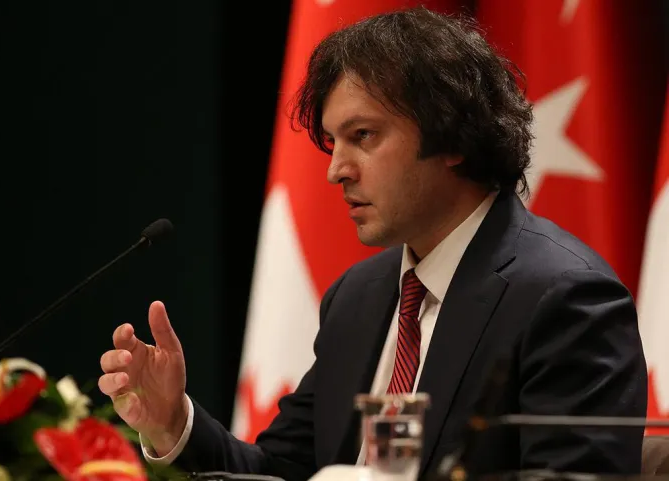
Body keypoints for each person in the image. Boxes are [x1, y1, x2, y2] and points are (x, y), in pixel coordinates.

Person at [97, 7, 648, 481]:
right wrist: (174, 423)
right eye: (332, 142)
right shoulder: (358, 297)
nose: (336, 169)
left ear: (453, 136)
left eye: (363, 136)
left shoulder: (563, 298)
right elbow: (282, 471)